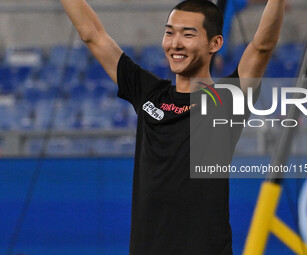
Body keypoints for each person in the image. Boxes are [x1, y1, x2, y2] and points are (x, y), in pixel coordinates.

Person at [60, 0, 285, 254]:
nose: (175, 43)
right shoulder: (148, 93)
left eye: (188, 34)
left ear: (215, 44)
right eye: (169, 32)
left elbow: (262, 47)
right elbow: (93, 35)